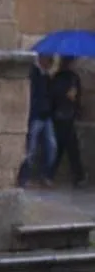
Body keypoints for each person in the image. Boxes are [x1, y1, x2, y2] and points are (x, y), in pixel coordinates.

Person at [17, 54, 58, 188]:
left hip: (46, 117)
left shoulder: (46, 76)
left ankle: (45, 174)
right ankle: (24, 177)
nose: (52, 61)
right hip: (35, 116)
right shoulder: (34, 74)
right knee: (31, 149)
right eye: (49, 58)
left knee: (52, 146)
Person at [49, 56, 86, 188]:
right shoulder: (57, 78)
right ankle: (50, 175)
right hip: (59, 116)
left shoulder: (74, 78)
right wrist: (65, 95)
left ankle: (78, 176)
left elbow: (78, 97)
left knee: (70, 148)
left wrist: (75, 100)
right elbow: (53, 96)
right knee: (61, 148)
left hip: (69, 116)